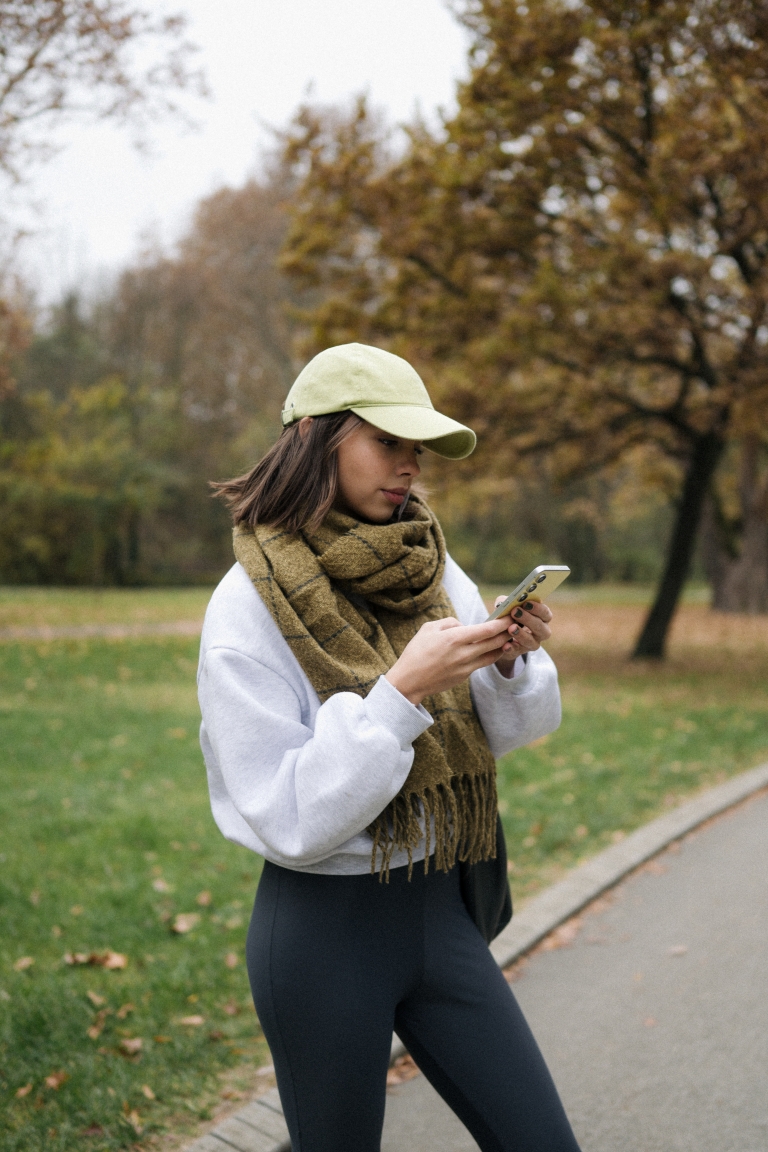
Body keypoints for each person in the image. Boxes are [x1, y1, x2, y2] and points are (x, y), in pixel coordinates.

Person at [197, 342, 581, 1152]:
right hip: (322, 931)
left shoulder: (432, 568)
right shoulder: (245, 608)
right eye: (388, 443)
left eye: (419, 450)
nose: (409, 468)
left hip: (439, 909)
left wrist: (511, 663)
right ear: (318, 439)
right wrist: (400, 694)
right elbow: (289, 815)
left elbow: (509, 730)